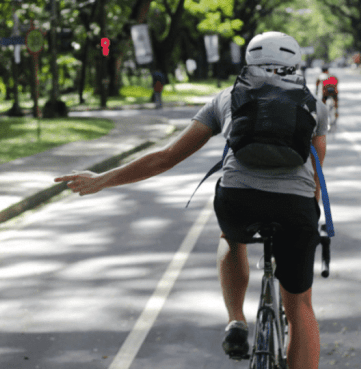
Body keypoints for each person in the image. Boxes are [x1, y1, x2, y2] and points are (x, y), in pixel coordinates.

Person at [54, 31, 328, 369]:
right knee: (299, 306)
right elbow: (315, 175)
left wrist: (102, 180)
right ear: (295, 62)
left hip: (238, 201)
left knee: (231, 236)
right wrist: (307, 224)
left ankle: (236, 321)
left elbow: (166, 157)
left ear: (249, 60)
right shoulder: (314, 105)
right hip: (295, 207)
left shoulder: (226, 98)